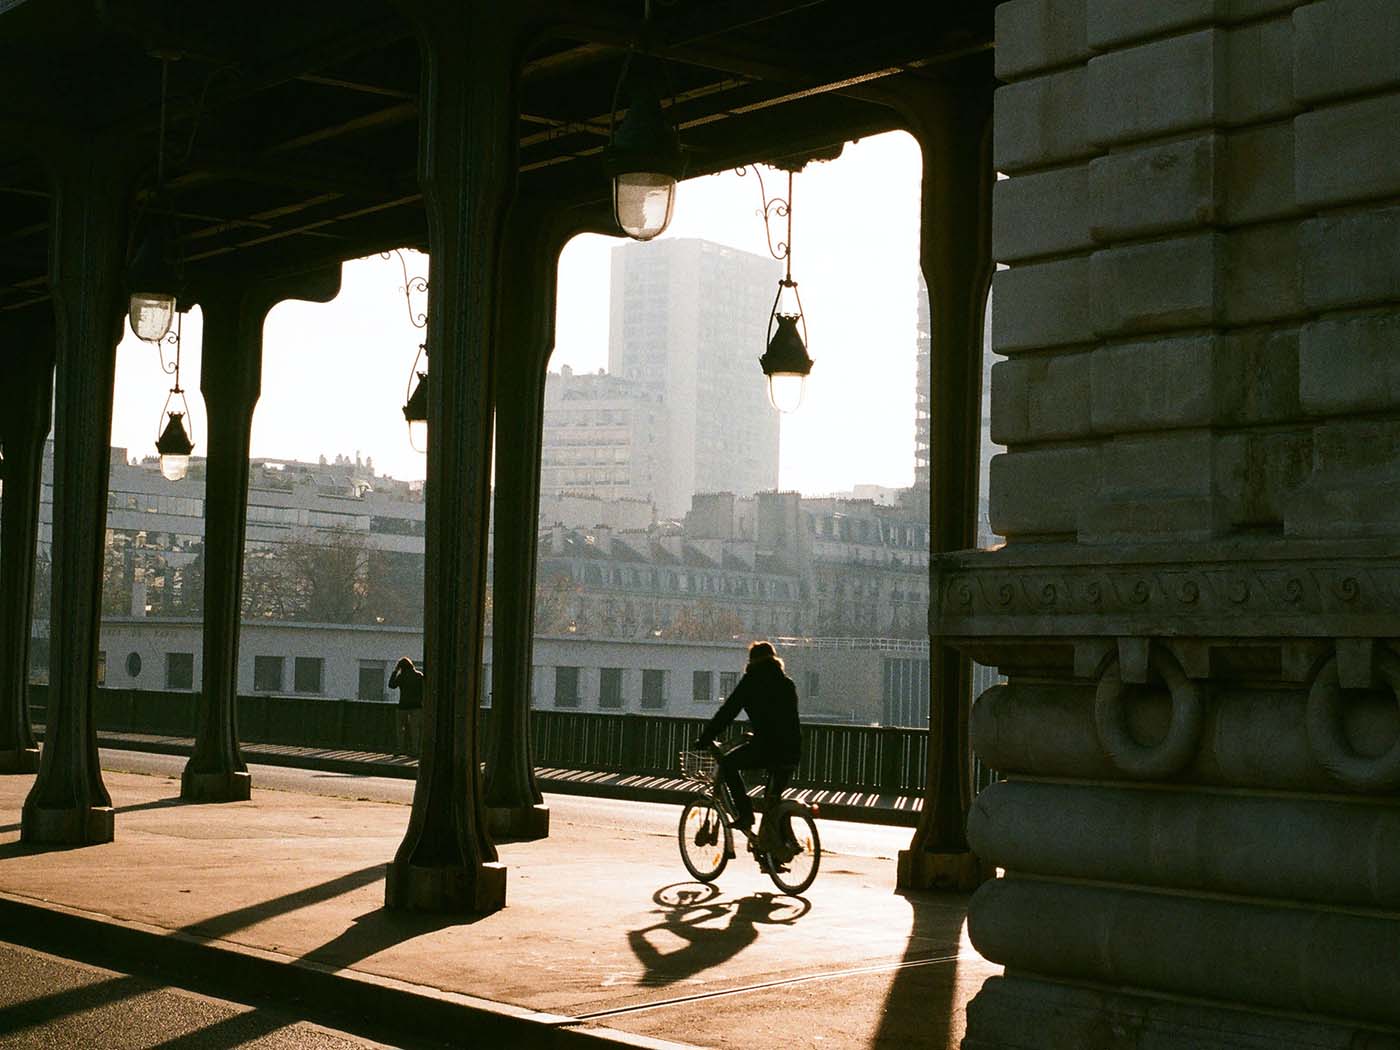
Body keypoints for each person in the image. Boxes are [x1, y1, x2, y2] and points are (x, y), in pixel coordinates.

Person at [694, 640, 802, 838]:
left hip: (767, 747)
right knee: (773, 800)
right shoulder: (787, 683)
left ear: (752, 661)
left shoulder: (751, 681)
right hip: (792, 749)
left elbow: (727, 712)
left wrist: (705, 738)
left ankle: (745, 814)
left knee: (728, 765)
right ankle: (782, 845)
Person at [389, 656, 423, 757]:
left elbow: (391, 685)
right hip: (416, 706)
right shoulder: (419, 676)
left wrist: (395, 672)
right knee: (415, 730)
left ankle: (401, 749)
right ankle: (415, 750)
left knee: (400, 729)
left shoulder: (401, 677)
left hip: (403, 706)